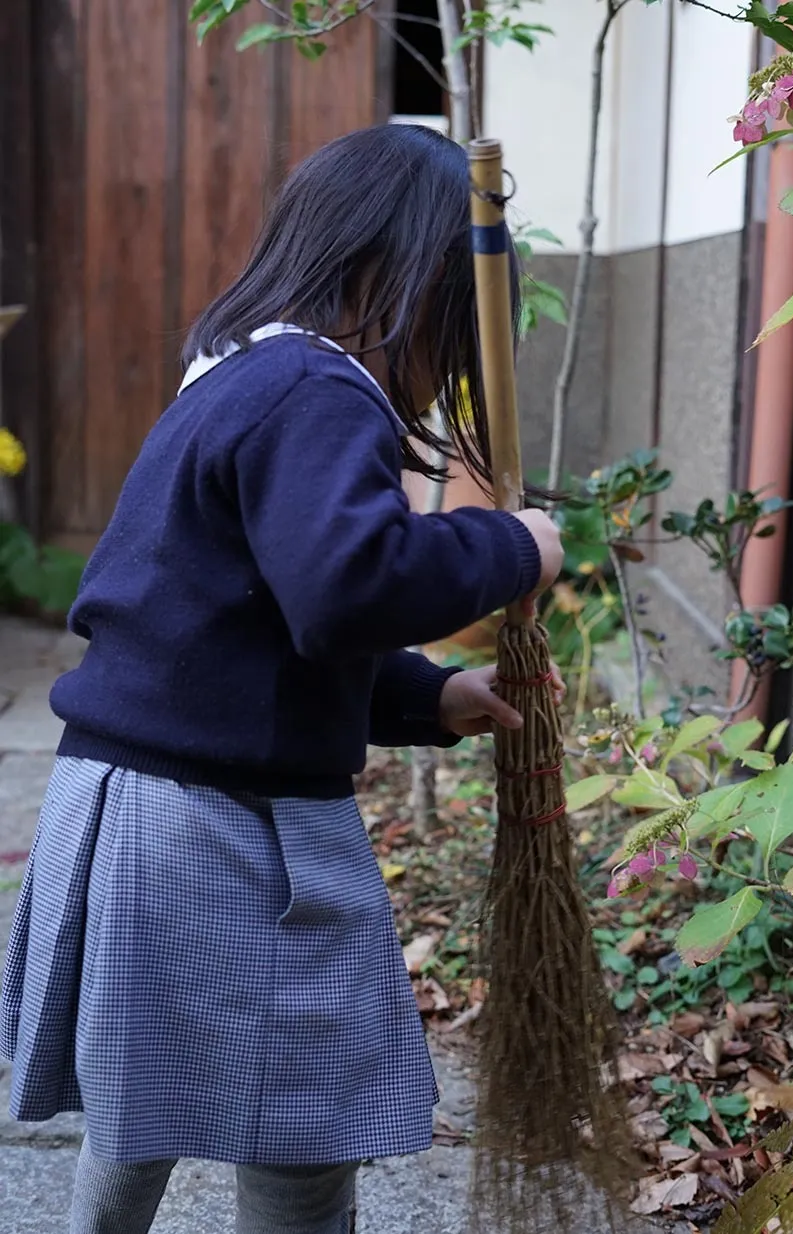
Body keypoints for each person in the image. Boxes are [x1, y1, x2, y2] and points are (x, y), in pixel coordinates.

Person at [0, 123, 563, 1234]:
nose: (442, 358)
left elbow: (245, 627)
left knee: (139, 1097)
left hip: (137, 798)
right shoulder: (315, 388)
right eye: (447, 321)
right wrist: (516, 546)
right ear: (391, 278)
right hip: (203, 822)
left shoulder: (244, 379)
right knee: (309, 1111)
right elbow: (346, 586)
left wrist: (418, 695)